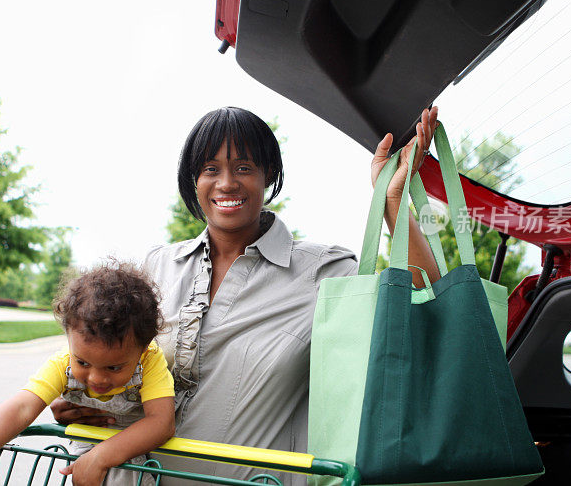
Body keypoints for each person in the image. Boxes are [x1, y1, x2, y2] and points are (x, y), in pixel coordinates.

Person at [51, 106, 441, 484]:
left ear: (268, 174)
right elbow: (106, 362)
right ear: (194, 179)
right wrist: (83, 398)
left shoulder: (323, 271)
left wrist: (391, 203)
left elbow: (425, 308)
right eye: (210, 169)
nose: (226, 183)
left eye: (243, 168)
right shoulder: (157, 267)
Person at [0, 262, 176, 486]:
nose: (97, 379)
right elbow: (22, 406)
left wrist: (100, 457)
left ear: (143, 348)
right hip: (83, 452)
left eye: (113, 367)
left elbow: (161, 423)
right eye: (83, 362)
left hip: (132, 454)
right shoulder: (61, 364)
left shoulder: (149, 360)